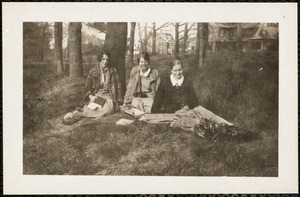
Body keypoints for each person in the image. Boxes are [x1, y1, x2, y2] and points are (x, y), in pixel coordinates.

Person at [81, 50, 123, 117]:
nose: (105, 62)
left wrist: (119, 101)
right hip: (97, 96)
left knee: (107, 110)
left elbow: (118, 86)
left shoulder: (113, 71)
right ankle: (89, 113)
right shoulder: (93, 72)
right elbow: (87, 86)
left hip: (108, 96)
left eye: (107, 59)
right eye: (103, 59)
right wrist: (91, 96)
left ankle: (88, 115)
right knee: (88, 109)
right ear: (99, 59)